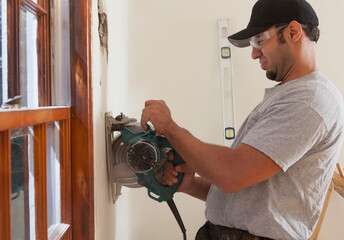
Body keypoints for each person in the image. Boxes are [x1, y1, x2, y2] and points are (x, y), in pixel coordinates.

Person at [140, 0, 344, 239]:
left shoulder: (309, 100)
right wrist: (191, 185)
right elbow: (251, 194)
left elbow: (233, 173)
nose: (254, 53)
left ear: (293, 32)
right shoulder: (290, 96)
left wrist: (171, 128)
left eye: (259, 40)